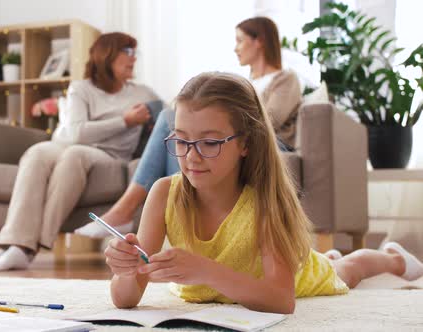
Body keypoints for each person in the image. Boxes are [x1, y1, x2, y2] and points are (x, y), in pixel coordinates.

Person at [104, 72, 423, 313]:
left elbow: (282, 300)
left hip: (286, 279)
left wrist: (204, 270)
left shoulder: (264, 202)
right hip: (262, 270)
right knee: (317, 261)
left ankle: (392, 258)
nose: (191, 156)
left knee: (348, 271)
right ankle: (315, 256)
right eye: (181, 140)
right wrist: (126, 271)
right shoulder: (163, 194)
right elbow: (126, 298)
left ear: (245, 143)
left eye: (210, 142)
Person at [75, 16, 302, 238]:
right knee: (166, 115)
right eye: (181, 142)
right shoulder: (246, 82)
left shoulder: (284, 79)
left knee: (167, 118)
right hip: (232, 132)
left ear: (259, 41)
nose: (236, 48)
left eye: (240, 40)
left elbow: (270, 122)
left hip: (267, 141)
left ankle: (124, 211)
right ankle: (157, 219)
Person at [0, 32, 159, 271]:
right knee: (36, 153)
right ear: (107, 55)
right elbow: (75, 133)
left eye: (134, 53)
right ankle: (13, 244)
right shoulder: (81, 88)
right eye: (127, 52)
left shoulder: (142, 94)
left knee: (73, 156)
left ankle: (27, 248)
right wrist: (124, 121)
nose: (133, 59)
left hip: (109, 154)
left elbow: (172, 115)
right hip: (69, 143)